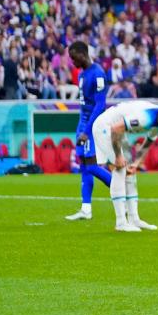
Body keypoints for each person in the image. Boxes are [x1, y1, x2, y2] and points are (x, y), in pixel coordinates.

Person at [91, 97, 158, 232]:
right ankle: (120, 222)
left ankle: (134, 219)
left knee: (130, 170)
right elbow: (115, 128)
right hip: (105, 127)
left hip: (117, 130)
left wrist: (136, 163)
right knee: (120, 169)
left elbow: (147, 143)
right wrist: (118, 157)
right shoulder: (146, 117)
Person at [64, 41, 113, 221]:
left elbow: (100, 104)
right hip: (82, 124)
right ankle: (86, 209)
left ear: (82, 54)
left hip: (93, 125)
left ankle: (119, 189)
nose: (72, 61)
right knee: (84, 166)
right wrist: (81, 128)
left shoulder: (98, 74)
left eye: (73, 57)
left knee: (91, 165)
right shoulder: (82, 74)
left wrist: (87, 130)